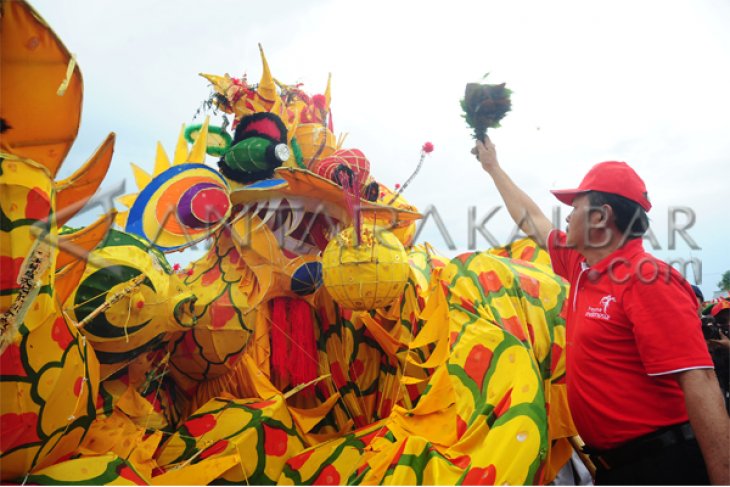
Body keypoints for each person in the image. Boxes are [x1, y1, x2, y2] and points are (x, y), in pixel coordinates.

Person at [474, 137, 730, 486]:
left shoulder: (648, 280)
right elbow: (531, 219)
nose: (566, 216)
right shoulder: (581, 266)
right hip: (616, 467)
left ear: (600, 216)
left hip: (665, 466)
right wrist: (493, 168)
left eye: (575, 207)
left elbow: (700, 382)